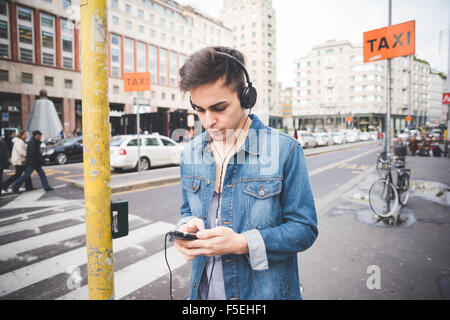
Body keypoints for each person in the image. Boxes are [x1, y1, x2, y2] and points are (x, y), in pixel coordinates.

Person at [172, 46, 318, 300]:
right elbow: (187, 211)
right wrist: (186, 227)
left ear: (246, 97)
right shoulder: (191, 153)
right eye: (199, 109)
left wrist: (243, 243)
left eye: (219, 108)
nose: (208, 121)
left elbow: (304, 229)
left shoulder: (285, 150)